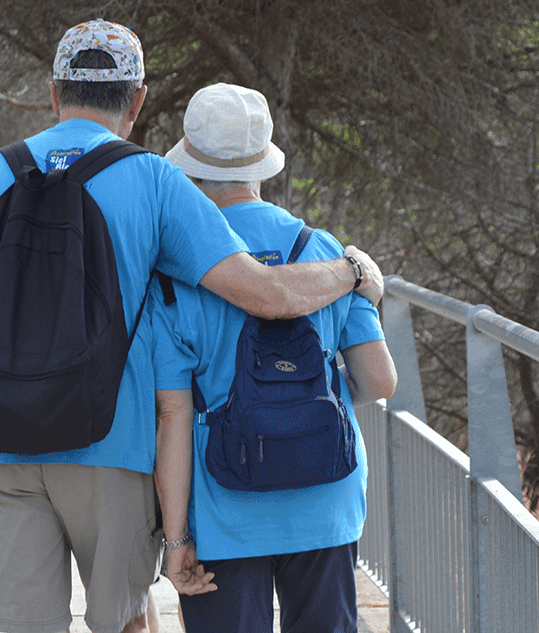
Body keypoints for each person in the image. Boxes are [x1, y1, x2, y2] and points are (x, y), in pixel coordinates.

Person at [0, 20, 385, 633]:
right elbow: (269, 295)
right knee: (123, 622)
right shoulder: (153, 180)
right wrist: (352, 269)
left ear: (54, 94)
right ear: (138, 100)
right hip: (106, 446)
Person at [152, 83, 399, 633]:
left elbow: (171, 417)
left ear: (190, 167)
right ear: (262, 165)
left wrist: (177, 539)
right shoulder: (328, 253)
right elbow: (380, 380)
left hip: (223, 510)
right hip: (325, 502)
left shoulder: (174, 272)